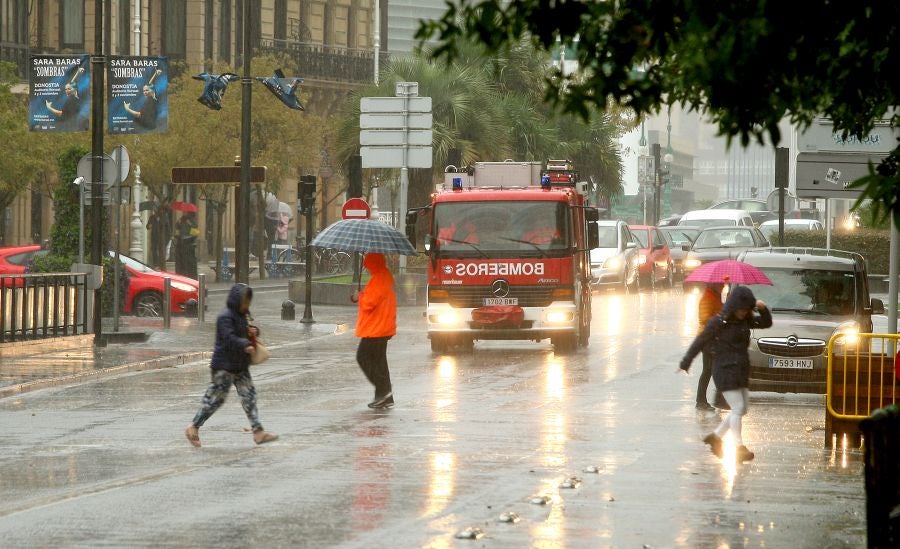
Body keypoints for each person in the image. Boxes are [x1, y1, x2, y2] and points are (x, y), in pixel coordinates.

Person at [679, 286, 772, 462]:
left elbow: (766, 323)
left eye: (746, 309)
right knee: (737, 408)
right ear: (734, 306)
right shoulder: (718, 322)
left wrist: (762, 308)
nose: (743, 313)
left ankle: (716, 437)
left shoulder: (745, 321)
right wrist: (686, 362)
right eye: (740, 309)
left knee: (742, 409)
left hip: (740, 370)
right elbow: (700, 341)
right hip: (724, 369)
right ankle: (739, 447)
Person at [185, 283, 278, 447]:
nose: (247, 305)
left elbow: (245, 331)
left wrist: (254, 332)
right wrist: (244, 344)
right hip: (224, 366)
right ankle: (194, 427)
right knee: (215, 400)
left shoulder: (243, 315)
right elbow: (228, 337)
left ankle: (258, 432)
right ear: (237, 300)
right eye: (245, 301)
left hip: (240, 365)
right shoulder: (225, 317)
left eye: (248, 301)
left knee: (249, 397)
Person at [352, 253, 397, 409]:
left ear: (373, 264)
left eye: (368, 264)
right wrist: (360, 295)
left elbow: (369, 303)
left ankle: (383, 391)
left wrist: (360, 297)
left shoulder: (379, 278)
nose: (366, 267)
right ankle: (386, 396)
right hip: (380, 327)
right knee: (379, 362)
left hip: (376, 328)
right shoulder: (383, 276)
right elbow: (373, 297)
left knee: (363, 357)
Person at [695, 283, 725, 411]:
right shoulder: (707, 298)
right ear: (713, 285)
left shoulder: (716, 297)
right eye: (720, 284)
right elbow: (704, 318)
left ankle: (705, 400)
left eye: (723, 284)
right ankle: (700, 401)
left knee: (711, 370)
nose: (723, 286)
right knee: (708, 370)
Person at [174, 212, 199, 278]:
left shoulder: (192, 221)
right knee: (181, 263)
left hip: (189, 246)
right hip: (181, 245)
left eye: (185, 211)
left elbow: (195, 233)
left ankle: (190, 276)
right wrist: (178, 223)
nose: (183, 212)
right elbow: (177, 228)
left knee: (189, 264)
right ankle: (181, 275)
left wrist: (190, 224)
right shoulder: (181, 220)